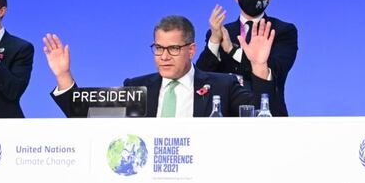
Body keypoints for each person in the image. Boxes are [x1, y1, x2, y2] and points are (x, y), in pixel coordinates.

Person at [46, 15, 281, 117]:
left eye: (173, 49)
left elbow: (266, 116)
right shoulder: (138, 88)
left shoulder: (222, 85)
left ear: (191, 50)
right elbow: (85, 112)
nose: (164, 56)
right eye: (158, 48)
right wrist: (64, 76)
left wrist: (259, 65)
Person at [195, 0, 297, 116]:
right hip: (226, 120)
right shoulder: (222, 32)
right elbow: (201, 77)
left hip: (269, 116)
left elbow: (276, 70)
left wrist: (232, 51)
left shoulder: (283, 30)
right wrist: (214, 41)